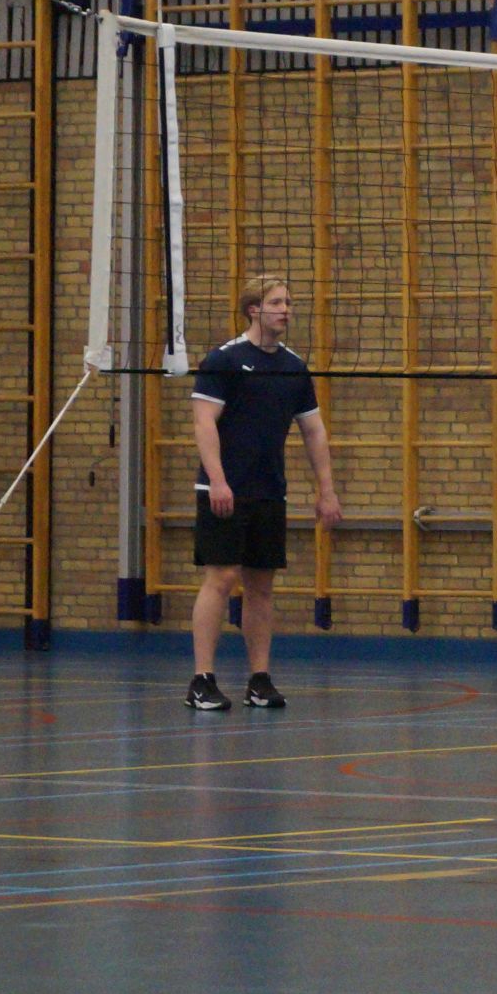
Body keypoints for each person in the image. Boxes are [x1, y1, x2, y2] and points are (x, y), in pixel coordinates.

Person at [185, 277, 342, 712]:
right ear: (254, 309)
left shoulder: (293, 367)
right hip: (224, 489)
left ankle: (259, 679)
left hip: (269, 490)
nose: (286, 309)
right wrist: (218, 480)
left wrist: (327, 491)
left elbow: (314, 431)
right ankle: (201, 679)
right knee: (221, 578)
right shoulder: (224, 360)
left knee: (261, 586)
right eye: (276, 302)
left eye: (289, 302)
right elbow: (203, 423)